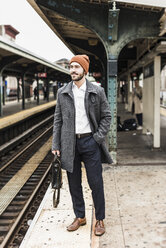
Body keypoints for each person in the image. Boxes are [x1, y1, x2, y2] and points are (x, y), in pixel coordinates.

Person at [52, 54, 112, 236]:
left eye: (77, 67)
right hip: (69, 143)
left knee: (96, 182)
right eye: (71, 67)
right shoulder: (62, 92)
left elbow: (107, 116)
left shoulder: (96, 91)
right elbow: (58, 121)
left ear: (84, 70)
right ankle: (80, 216)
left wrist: (97, 138)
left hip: (90, 141)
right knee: (74, 183)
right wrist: (56, 144)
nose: (72, 70)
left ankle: (99, 219)